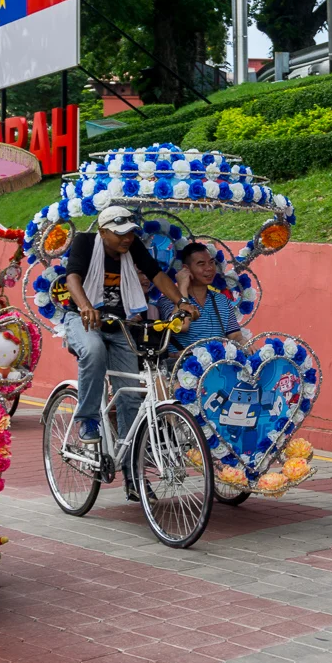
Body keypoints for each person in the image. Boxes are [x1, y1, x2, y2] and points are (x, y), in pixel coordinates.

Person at [63, 206, 199, 501]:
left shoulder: (133, 247)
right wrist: (86, 305)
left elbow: (158, 275)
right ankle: (87, 419)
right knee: (94, 351)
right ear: (103, 232)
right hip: (84, 319)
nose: (127, 239)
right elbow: (72, 278)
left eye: (130, 234)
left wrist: (182, 301)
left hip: (121, 323)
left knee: (131, 396)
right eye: (120, 234)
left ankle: (133, 475)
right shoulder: (86, 243)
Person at [159, 242, 242, 350]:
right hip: (182, 364)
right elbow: (182, 326)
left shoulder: (222, 300)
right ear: (186, 269)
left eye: (211, 263)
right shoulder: (167, 300)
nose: (209, 268)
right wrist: (182, 287)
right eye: (201, 264)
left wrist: (246, 345)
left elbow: (235, 336)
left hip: (216, 364)